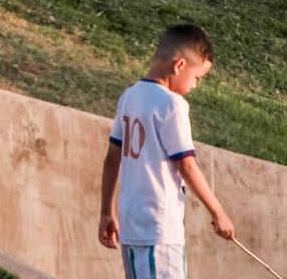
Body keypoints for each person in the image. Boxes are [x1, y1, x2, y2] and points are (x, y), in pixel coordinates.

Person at [99, 24, 238, 276]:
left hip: (130, 226)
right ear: (179, 65)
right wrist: (218, 212)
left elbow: (111, 159)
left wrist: (106, 212)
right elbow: (186, 165)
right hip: (160, 229)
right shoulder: (172, 105)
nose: (195, 86)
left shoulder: (128, 96)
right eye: (198, 78)